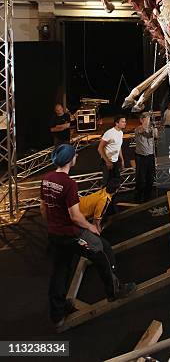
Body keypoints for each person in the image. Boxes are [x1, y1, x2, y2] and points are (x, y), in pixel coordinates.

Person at [40, 144, 134, 327]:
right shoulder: (69, 184)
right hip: (71, 234)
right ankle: (114, 290)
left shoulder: (47, 178)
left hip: (54, 234)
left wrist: (54, 224)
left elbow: (43, 209)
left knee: (60, 271)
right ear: (70, 160)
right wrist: (91, 227)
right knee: (103, 249)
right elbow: (75, 216)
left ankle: (57, 314)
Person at [133, 112, 157, 203]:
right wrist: (147, 119)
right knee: (141, 179)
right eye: (146, 119)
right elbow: (143, 130)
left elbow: (156, 136)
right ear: (141, 120)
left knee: (150, 179)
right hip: (141, 157)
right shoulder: (138, 129)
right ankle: (138, 198)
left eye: (149, 119)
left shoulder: (151, 129)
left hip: (150, 156)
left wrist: (154, 125)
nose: (148, 121)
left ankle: (147, 197)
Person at [98, 115, 126, 186]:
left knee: (116, 181)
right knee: (106, 183)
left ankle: (112, 196)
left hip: (115, 161)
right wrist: (107, 161)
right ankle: (103, 196)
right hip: (107, 162)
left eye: (125, 122)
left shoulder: (121, 133)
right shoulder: (109, 133)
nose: (125, 123)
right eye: (122, 122)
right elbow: (100, 148)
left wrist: (122, 160)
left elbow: (118, 147)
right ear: (117, 123)